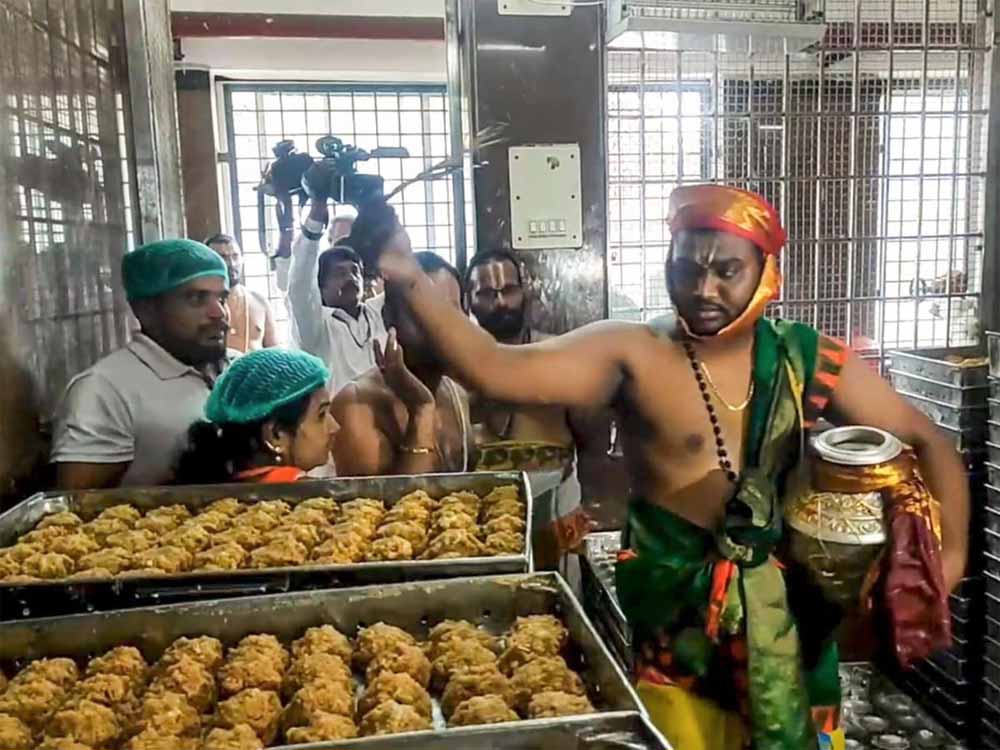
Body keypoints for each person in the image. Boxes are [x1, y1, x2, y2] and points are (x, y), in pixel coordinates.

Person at [377, 185, 969, 750]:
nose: (704, 289)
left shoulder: (803, 356)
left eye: (727, 271)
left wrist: (949, 559)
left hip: (789, 621)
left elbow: (925, 438)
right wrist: (408, 275)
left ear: (765, 272)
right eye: (687, 270)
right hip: (677, 624)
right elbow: (493, 367)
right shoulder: (633, 352)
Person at [51, 239, 233, 489]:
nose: (219, 313)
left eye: (222, 298)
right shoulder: (104, 391)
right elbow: (78, 503)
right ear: (146, 310)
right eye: (196, 299)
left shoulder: (237, 368)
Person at [464, 249, 591, 561]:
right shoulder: (456, 365)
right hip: (477, 513)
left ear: (525, 293)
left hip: (556, 502)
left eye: (508, 290)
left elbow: (592, 442)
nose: (500, 302)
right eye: (487, 294)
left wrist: (587, 506)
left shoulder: (559, 356)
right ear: (469, 301)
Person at [331, 250, 470, 477]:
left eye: (451, 312)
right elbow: (388, 501)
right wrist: (420, 410)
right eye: (425, 314)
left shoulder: (457, 393)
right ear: (389, 318)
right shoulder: (356, 404)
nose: (442, 328)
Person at [174, 348, 338, 484]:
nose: (335, 427)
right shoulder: (305, 494)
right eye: (321, 415)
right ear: (276, 435)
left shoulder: (214, 490)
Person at [286, 199, 387, 393]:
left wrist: (373, 205)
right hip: (336, 411)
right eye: (340, 273)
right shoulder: (316, 326)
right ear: (321, 287)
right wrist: (316, 215)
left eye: (355, 271)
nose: (351, 278)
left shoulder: (377, 312)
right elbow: (300, 283)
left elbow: (403, 272)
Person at [204, 233, 277, 352]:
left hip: (257, 363)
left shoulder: (259, 301)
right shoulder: (202, 305)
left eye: (235, 256)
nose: (231, 263)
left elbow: (275, 352)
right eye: (223, 257)